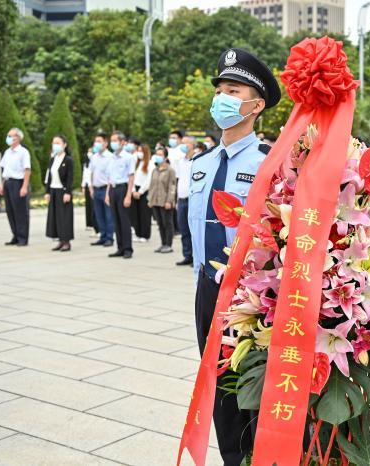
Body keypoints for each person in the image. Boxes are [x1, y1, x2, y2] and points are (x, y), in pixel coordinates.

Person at [189, 47, 280, 465]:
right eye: (220, 89)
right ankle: (231, 459)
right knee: (218, 387)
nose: (222, 97)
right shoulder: (200, 164)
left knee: (254, 388)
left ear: (256, 104)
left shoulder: (270, 165)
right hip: (208, 290)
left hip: (252, 298)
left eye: (233, 89)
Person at [0, 128, 31, 246]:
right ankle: (15, 235)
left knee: (20, 212)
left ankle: (23, 238)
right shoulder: (7, 152)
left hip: (18, 183)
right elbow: (4, 170)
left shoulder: (23, 152)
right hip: (8, 183)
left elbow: (27, 170)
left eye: (11, 136)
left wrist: (24, 187)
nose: (8, 138)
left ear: (18, 138)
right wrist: (2, 185)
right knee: (10, 211)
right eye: (8, 135)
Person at [106, 131, 135, 259]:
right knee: (116, 220)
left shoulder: (128, 157)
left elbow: (131, 177)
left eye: (115, 140)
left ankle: (128, 248)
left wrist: (128, 195)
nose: (113, 143)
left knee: (124, 220)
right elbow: (109, 177)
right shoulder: (111, 157)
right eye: (111, 140)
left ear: (123, 142)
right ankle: (120, 247)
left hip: (123, 189)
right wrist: (107, 194)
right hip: (113, 189)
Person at [44, 135, 74, 251]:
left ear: (64, 145)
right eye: (53, 143)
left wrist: (68, 192)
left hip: (63, 191)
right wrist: (47, 192)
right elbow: (49, 177)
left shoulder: (68, 160)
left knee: (64, 217)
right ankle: (60, 241)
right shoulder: (53, 159)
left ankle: (66, 241)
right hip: (53, 190)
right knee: (55, 217)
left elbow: (70, 178)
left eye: (58, 143)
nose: (55, 145)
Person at [147, 146, 177, 253]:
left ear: (165, 157)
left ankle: (168, 244)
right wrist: (150, 200)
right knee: (160, 224)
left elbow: (172, 187)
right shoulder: (154, 170)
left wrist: (169, 201)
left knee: (167, 223)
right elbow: (151, 186)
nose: (158, 156)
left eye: (160, 155)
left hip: (165, 202)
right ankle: (163, 243)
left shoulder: (170, 170)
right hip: (155, 201)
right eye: (157, 154)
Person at [89, 133, 115, 247]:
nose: (97, 144)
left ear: (105, 143)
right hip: (96, 188)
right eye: (96, 141)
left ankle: (109, 237)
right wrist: (90, 188)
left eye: (99, 141)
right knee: (99, 215)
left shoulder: (110, 157)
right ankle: (102, 236)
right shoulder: (94, 157)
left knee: (108, 215)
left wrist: (108, 193)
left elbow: (111, 176)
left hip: (106, 189)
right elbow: (91, 172)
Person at [176, 136, 195, 265]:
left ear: (192, 145)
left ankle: (196, 257)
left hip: (192, 200)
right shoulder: (180, 161)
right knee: (183, 230)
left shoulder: (197, 160)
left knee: (194, 230)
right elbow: (178, 180)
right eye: (182, 143)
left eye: (186, 143)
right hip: (181, 199)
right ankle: (187, 255)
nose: (183, 146)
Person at [130, 142, 153, 242]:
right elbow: (133, 177)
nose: (139, 153)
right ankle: (138, 233)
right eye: (138, 151)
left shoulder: (150, 164)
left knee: (144, 214)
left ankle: (145, 235)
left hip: (144, 191)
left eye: (141, 151)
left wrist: (140, 191)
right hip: (135, 189)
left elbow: (148, 180)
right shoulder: (137, 163)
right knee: (135, 213)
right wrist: (134, 190)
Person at [81, 147, 98, 234]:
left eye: (91, 151)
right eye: (88, 151)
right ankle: (89, 224)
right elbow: (85, 176)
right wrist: (83, 186)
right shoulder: (86, 163)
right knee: (88, 205)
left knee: (94, 206)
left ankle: (96, 226)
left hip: (94, 185)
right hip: (87, 185)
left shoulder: (96, 161)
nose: (89, 153)